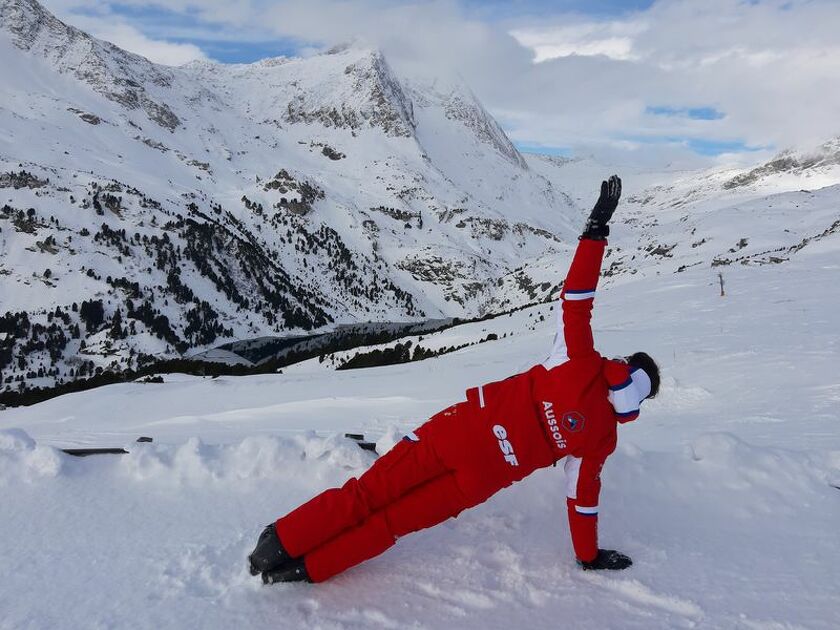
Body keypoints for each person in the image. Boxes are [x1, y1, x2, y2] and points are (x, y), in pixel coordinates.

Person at [248, 175, 660, 584]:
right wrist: (588, 557)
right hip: (480, 480)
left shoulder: (581, 360)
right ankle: (306, 569)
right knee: (392, 522)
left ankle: (281, 541)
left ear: (625, 364)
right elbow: (582, 499)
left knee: (369, 493)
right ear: (640, 399)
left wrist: (595, 232)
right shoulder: (603, 437)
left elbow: (576, 297)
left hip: (457, 434)